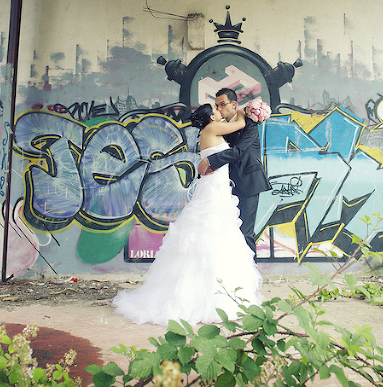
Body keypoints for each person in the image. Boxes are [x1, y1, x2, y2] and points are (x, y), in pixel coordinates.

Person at [112, 103, 263, 326]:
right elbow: (240, 124)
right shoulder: (212, 130)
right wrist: (246, 110)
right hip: (214, 191)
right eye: (217, 109)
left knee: (218, 239)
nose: (221, 111)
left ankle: (219, 294)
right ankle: (210, 300)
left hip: (219, 188)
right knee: (209, 237)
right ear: (212, 117)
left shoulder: (211, 130)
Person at [198, 88, 271, 256]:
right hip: (227, 186)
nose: (220, 109)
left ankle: (250, 278)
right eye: (217, 106)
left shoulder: (249, 123)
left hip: (248, 182)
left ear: (234, 104)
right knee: (230, 232)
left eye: (222, 105)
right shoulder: (222, 127)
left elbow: (239, 151)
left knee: (245, 232)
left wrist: (210, 161)